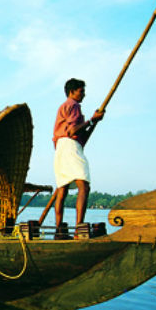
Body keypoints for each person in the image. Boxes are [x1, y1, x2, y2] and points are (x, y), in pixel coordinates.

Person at [53, 78, 104, 239]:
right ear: (72, 92)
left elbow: (82, 138)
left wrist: (94, 122)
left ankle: (59, 230)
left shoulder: (65, 107)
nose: (84, 94)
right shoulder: (73, 105)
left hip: (61, 148)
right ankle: (78, 230)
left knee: (63, 189)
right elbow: (72, 131)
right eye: (81, 91)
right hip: (69, 145)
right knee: (84, 186)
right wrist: (91, 120)